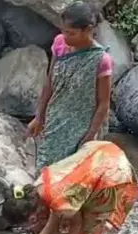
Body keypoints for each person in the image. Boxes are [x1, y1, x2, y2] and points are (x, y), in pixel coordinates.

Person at [2, 140, 138, 234]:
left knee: (90, 233)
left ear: (33, 218)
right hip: (99, 150)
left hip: (112, 171)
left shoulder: (63, 206)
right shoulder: (38, 186)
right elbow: (55, 208)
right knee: (69, 205)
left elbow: (77, 224)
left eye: (27, 226)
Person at [27, 1, 114, 172]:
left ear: (88, 30)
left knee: (72, 173)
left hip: (81, 127)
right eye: (63, 31)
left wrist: (89, 137)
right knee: (45, 168)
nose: (65, 37)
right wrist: (39, 117)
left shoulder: (101, 60)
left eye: (71, 33)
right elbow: (50, 81)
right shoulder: (60, 44)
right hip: (55, 118)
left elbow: (103, 103)